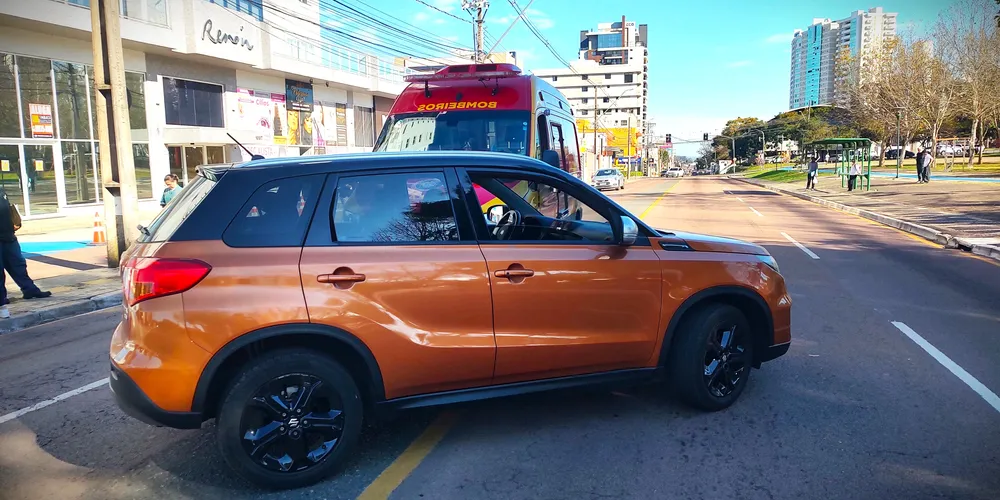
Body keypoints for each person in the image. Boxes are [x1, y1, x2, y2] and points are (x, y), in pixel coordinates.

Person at [0, 186, 51, 303]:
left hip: (9, 237)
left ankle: (30, 290)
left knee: (19, 266)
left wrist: (14, 221)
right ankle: (1, 298)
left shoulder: (1, 191)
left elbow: (7, 209)